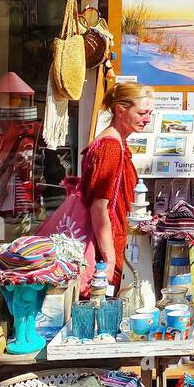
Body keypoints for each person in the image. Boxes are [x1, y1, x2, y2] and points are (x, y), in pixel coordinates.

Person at [84, 81, 152, 287]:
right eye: (141, 113)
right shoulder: (111, 147)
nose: (147, 119)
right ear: (120, 111)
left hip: (115, 243)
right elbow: (98, 207)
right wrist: (110, 257)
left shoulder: (116, 142)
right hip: (109, 248)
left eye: (150, 113)